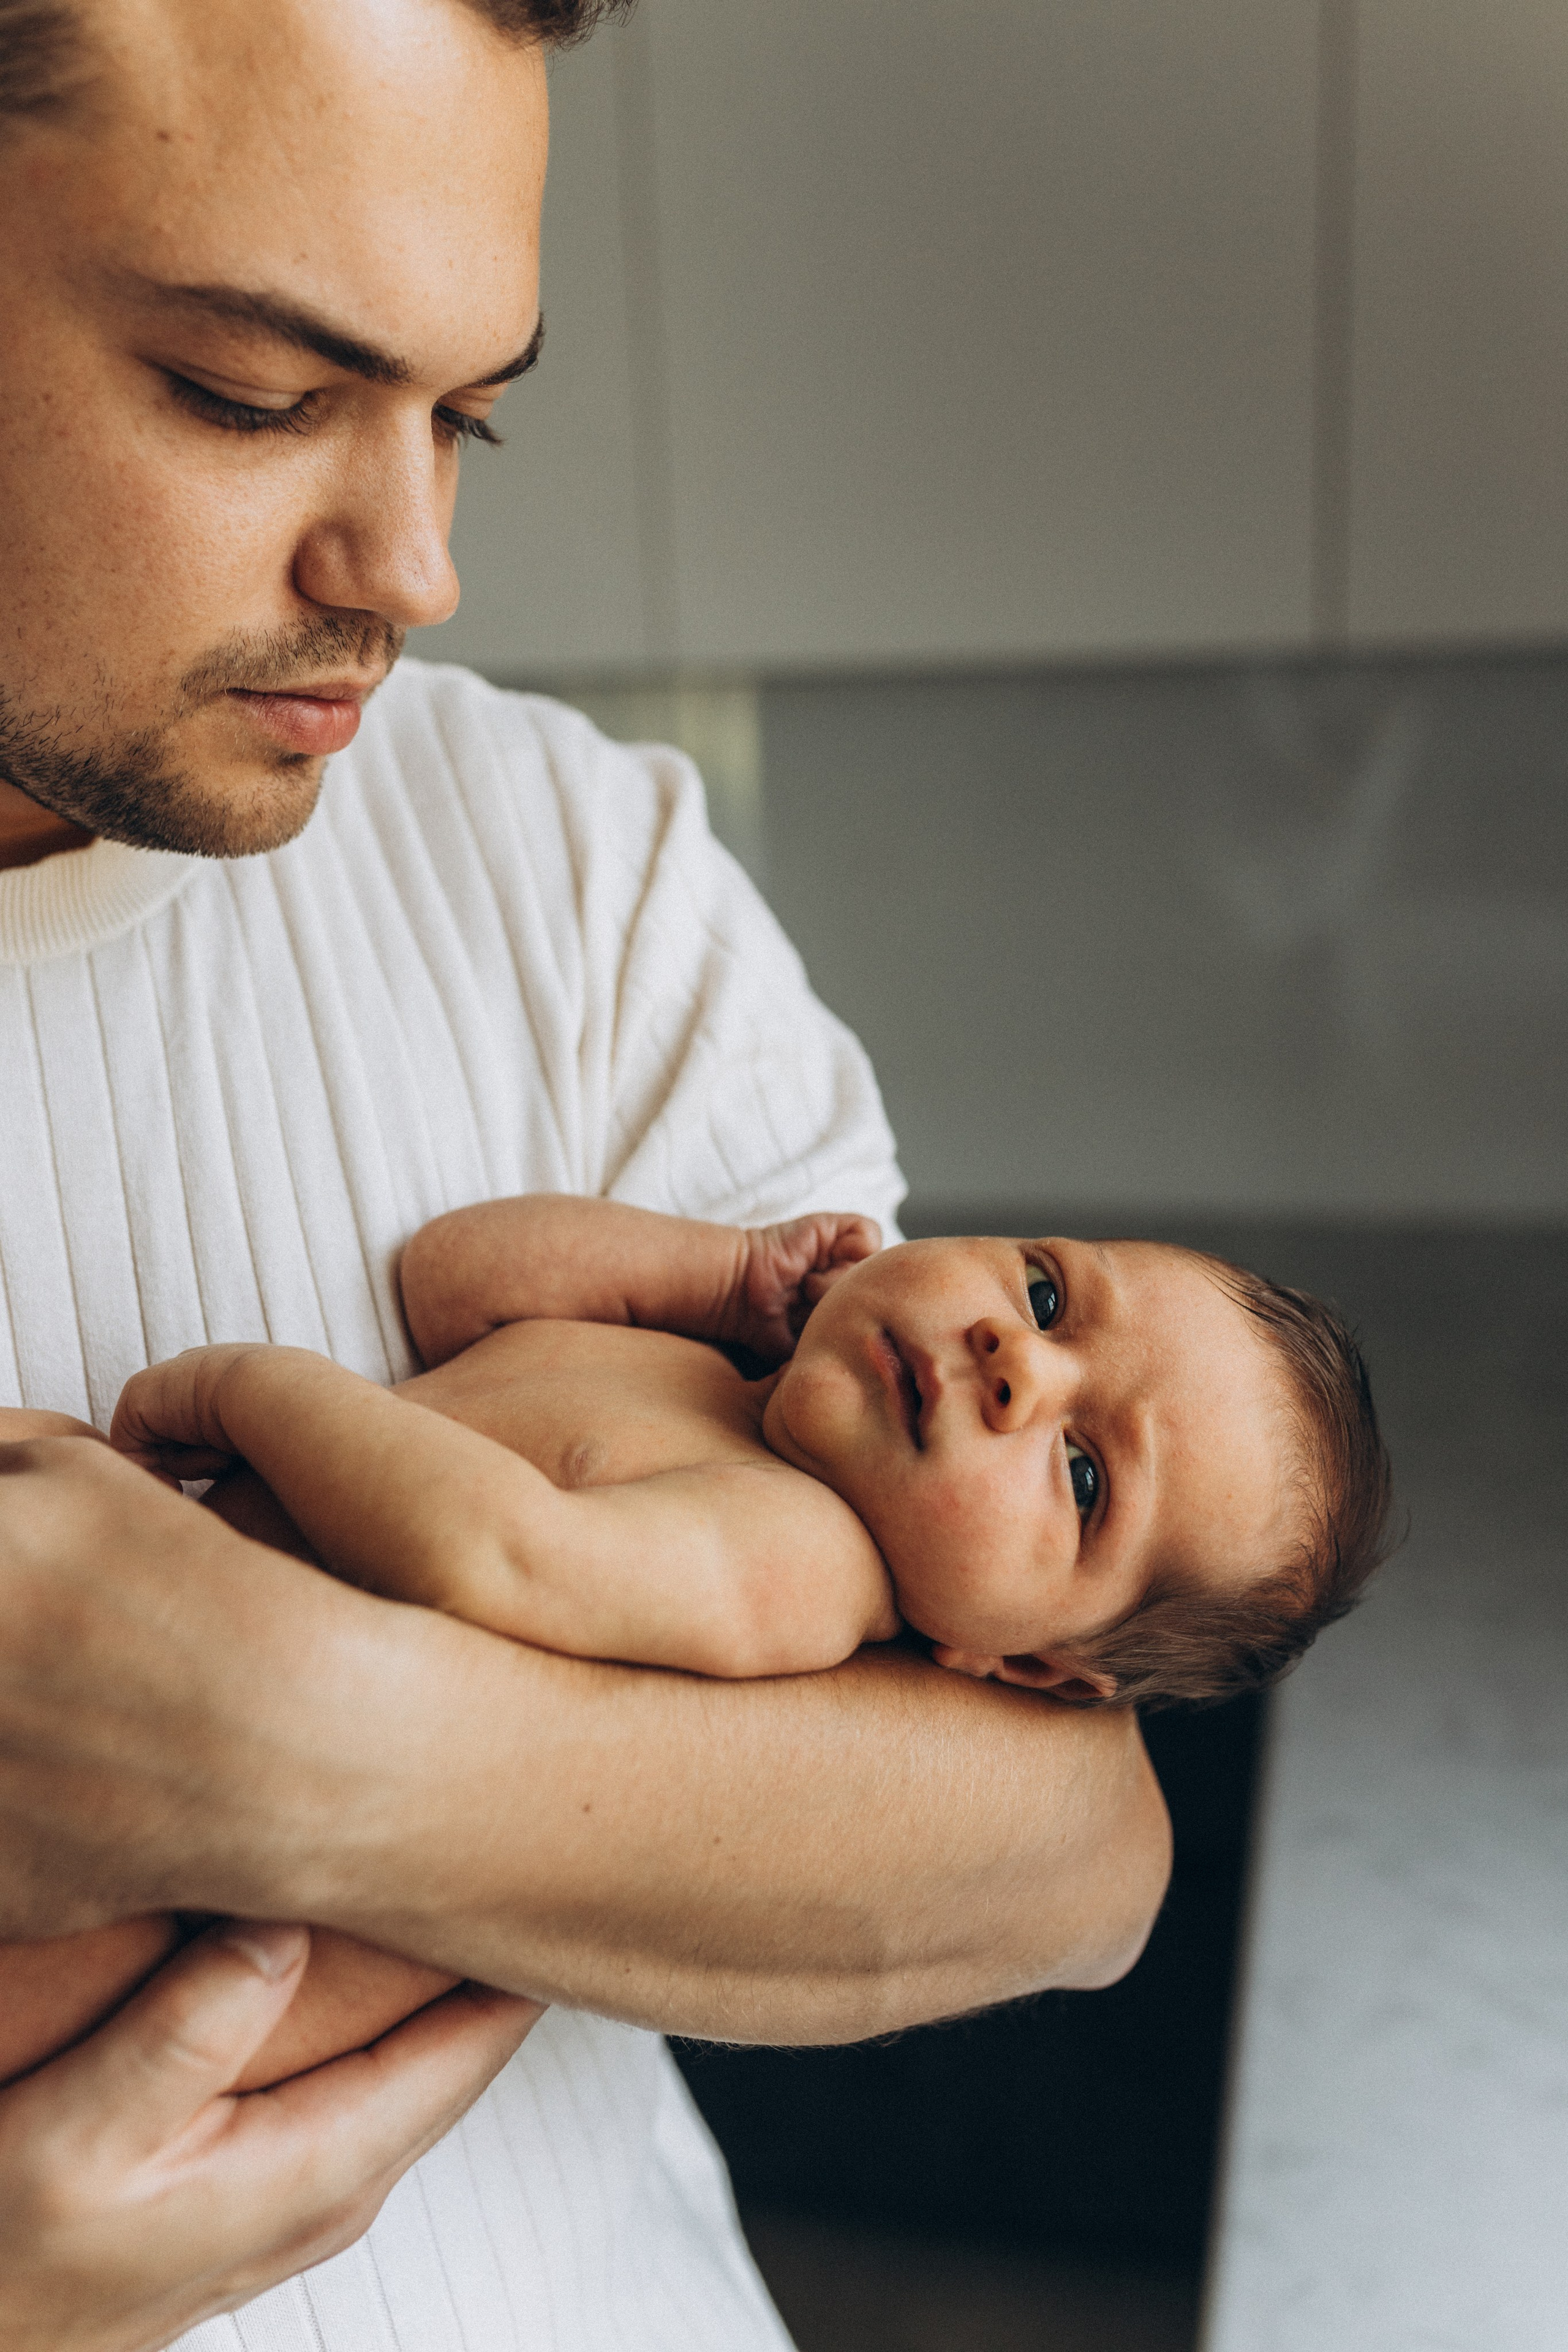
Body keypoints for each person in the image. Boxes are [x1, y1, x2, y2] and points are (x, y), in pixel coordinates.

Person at [0, 1, 1172, 2347]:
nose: (416, 567)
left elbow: (1060, 1846)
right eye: (249, 394)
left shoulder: (567, 861)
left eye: (473, 415)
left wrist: (296, 1750)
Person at [111, 1196, 1394, 1706]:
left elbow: (490, 1552)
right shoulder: (712, 1377)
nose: (1015, 1362)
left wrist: (253, 1391)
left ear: (1024, 1662)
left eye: (1081, 1476)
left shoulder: (798, 1563)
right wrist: (720, 1274)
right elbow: (454, 1284)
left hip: (163, 1677)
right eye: (1049, 1299)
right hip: (134, 1579)